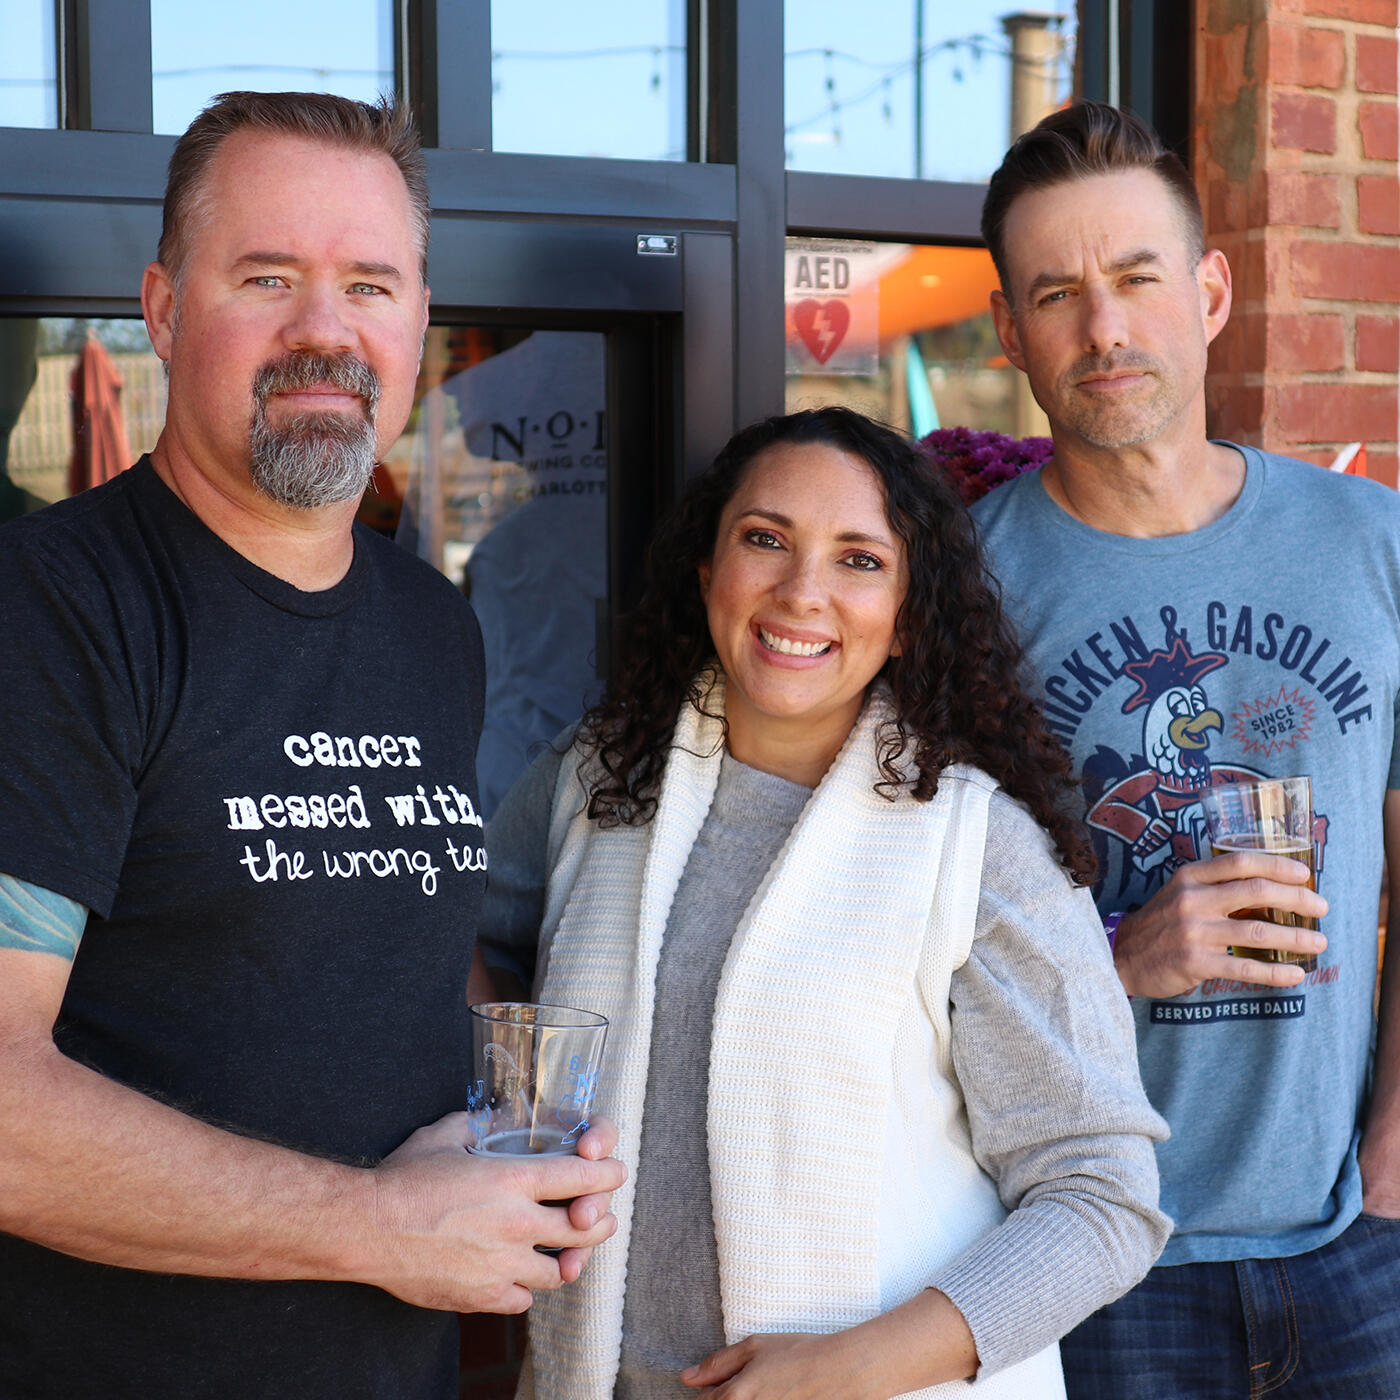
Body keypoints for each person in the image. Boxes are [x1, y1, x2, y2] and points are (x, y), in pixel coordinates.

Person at [0, 91, 623, 1400]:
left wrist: (516, 1119)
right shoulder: (53, 610)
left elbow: (371, 945)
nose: (325, 331)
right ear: (164, 308)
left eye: (369, 285)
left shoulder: (431, 624)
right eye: (268, 277)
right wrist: (380, 1225)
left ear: (418, 320)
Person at [482, 406, 1170, 1399]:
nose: (802, 592)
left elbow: (1102, 1197)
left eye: (859, 560)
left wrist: (848, 1369)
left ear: (909, 614)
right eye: (765, 539)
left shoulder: (975, 846)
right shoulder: (599, 778)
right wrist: (515, 1103)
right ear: (706, 570)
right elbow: (447, 932)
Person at [971, 101, 1400, 1397]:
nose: (1103, 329)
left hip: (1352, 1241)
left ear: (1208, 292)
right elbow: (910, 943)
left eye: (1136, 278)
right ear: (1009, 332)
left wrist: (1394, 1154)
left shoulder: (1368, 540)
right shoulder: (966, 586)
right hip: (1091, 1247)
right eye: (1056, 295)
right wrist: (1120, 959)